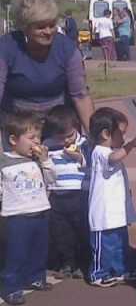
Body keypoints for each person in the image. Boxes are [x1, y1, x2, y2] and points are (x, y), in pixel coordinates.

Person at [0, 0, 94, 128]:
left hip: (60, 125)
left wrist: (96, 140)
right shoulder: (6, 47)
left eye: (52, 25)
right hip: (17, 126)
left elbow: (80, 96)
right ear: (25, 28)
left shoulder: (68, 49)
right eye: (41, 27)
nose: (48, 32)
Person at [0, 111, 57, 305]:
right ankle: (11, 287)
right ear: (13, 139)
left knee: (39, 249)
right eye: (31, 138)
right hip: (17, 216)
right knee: (17, 252)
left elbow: (51, 180)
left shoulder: (37, 160)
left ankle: (35, 277)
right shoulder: (4, 161)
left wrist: (46, 161)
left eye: (38, 137)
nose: (36, 142)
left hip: (41, 211)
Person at [87, 107, 136, 287]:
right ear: (105, 134)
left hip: (115, 211)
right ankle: (98, 273)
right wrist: (131, 144)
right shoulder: (100, 152)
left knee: (119, 243)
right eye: (121, 133)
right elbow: (114, 157)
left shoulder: (109, 152)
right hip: (102, 213)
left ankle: (120, 270)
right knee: (104, 246)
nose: (123, 138)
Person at [43, 105, 89, 280]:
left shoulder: (83, 143)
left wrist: (79, 156)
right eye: (60, 137)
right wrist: (43, 157)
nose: (65, 141)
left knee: (81, 229)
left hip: (78, 193)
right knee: (61, 232)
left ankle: (83, 262)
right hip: (57, 194)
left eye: (69, 136)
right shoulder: (48, 144)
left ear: (76, 127)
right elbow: (46, 166)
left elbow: (89, 164)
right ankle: (67, 263)